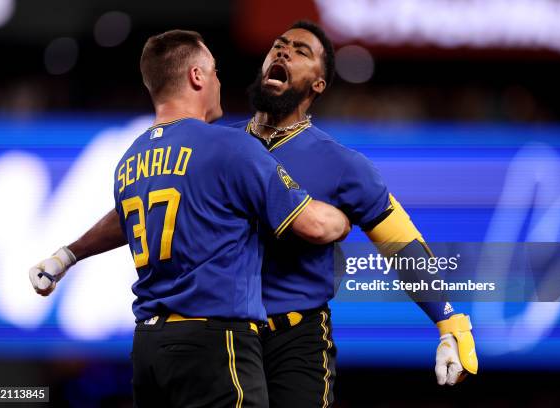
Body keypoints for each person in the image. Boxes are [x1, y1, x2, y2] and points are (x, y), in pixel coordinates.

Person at [30, 21, 478, 408]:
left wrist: (448, 320)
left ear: (318, 84)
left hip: (294, 342)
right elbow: (135, 207)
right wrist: (71, 252)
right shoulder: (219, 144)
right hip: (221, 338)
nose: (283, 50)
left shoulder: (342, 164)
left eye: (301, 51)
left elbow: (401, 241)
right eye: (278, 45)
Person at [29, 29, 351, 408]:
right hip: (215, 343)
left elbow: (124, 216)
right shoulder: (229, 147)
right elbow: (314, 226)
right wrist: (346, 217)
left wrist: (68, 255)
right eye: (214, 71)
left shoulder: (130, 161)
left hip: (150, 349)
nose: (219, 80)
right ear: (197, 76)